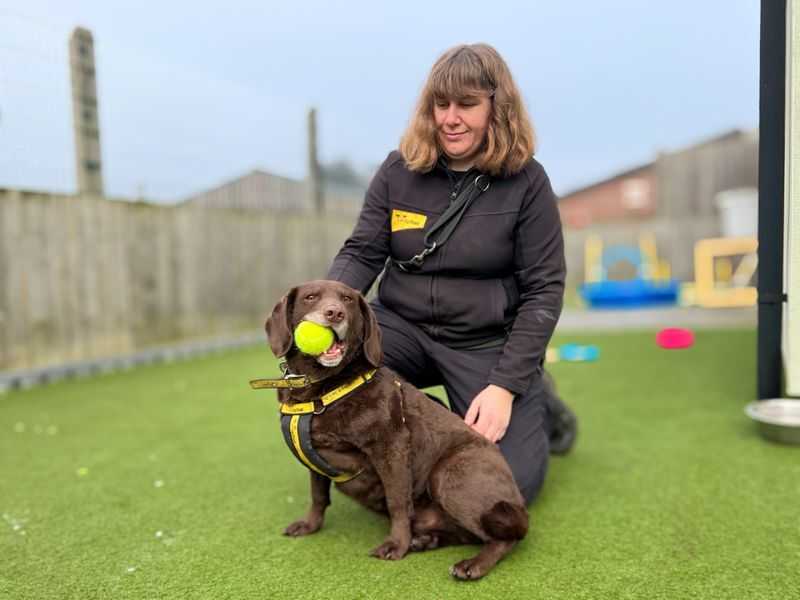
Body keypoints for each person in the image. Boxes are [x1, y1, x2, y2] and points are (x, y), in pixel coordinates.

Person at [326, 43, 576, 505]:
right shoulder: (397, 170)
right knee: (337, 392)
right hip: (401, 326)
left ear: (496, 108)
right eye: (441, 105)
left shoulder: (528, 183)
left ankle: (535, 394)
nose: (450, 118)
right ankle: (431, 431)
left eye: (467, 104)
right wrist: (326, 311)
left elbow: (543, 290)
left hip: (483, 343)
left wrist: (503, 387)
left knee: (506, 490)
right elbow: (362, 251)